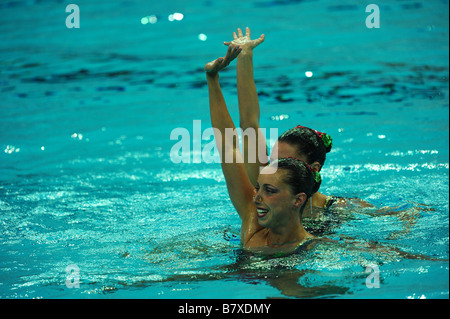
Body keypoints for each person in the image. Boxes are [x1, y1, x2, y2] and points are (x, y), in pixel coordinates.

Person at [221, 27, 354, 215]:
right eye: (273, 161)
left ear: (314, 169)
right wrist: (244, 56)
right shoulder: (266, 185)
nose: (275, 168)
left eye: (286, 161)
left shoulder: (336, 209)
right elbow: (249, 125)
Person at [204, 45, 318, 255]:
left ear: (298, 199)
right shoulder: (253, 223)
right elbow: (228, 144)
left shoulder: (316, 246)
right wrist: (212, 79)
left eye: (269, 190)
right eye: (258, 187)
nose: (255, 197)